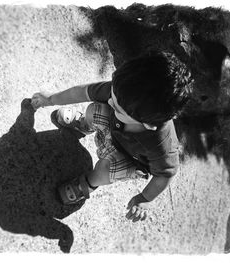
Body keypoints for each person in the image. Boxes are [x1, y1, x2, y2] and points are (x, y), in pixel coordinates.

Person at [31, 51, 193, 222]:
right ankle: (84, 124)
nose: (110, 100)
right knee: (93, 109)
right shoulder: (124, 90)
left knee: (103, 170)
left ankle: (87, 184)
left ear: (147, 125)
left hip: (129, 160)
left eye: (117, 107)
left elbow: (165, 174)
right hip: (113, 132)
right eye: (112, 94)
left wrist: (144, 199)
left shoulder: (161, 145)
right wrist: (51, 99)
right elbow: (83, 92)